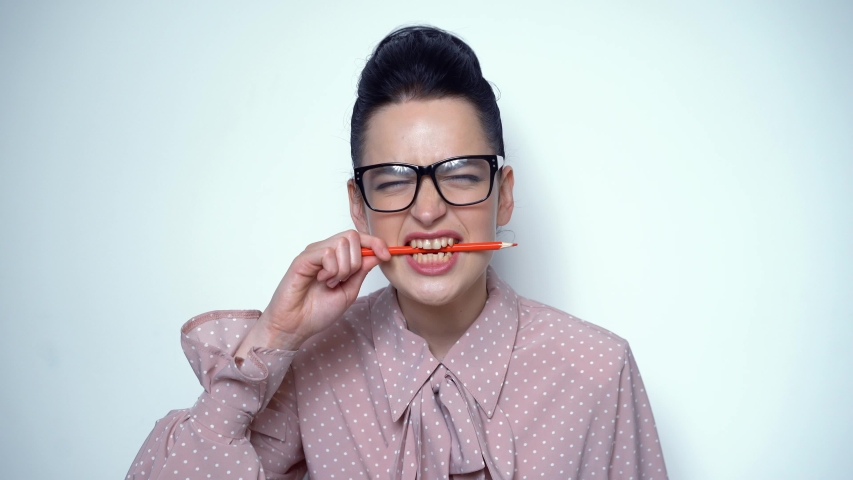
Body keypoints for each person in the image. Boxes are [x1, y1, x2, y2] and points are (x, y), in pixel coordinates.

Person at [126, 26, 668, 480]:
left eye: (458, 175)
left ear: (502, 194)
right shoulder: (313, 368)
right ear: (359, 209)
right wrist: (275, 336)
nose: (428, 211)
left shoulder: (598, 372)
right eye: (391, 181)